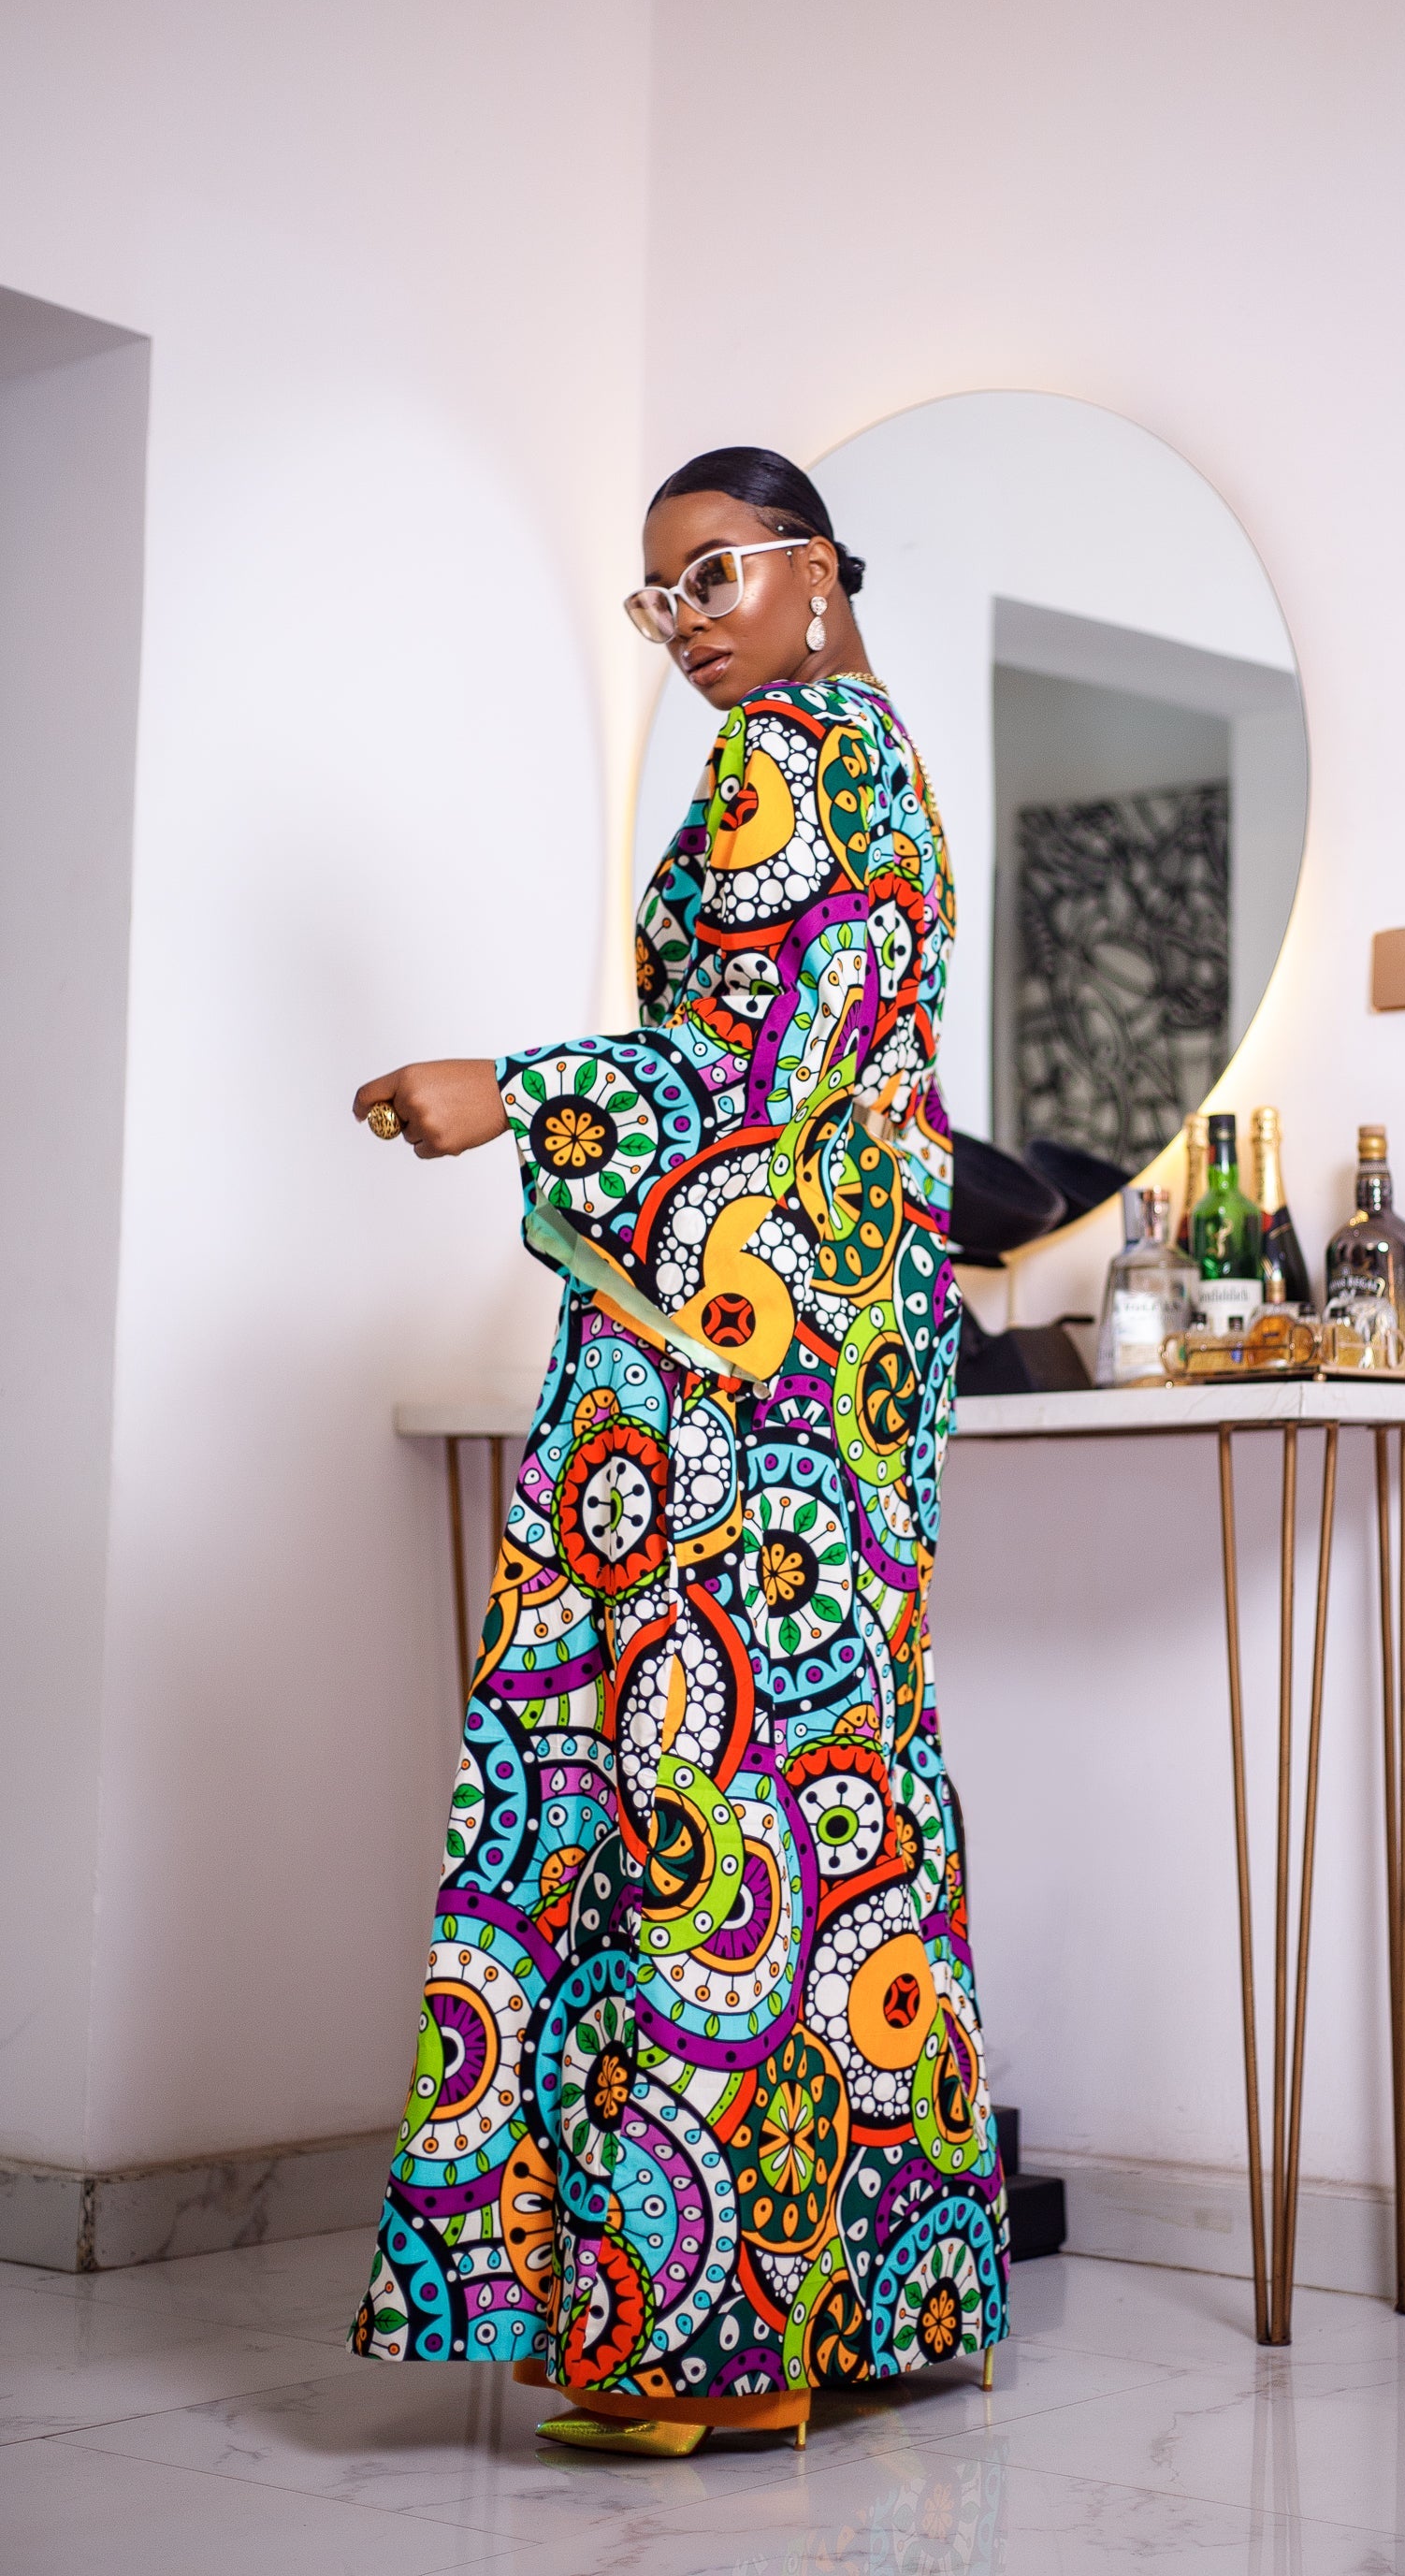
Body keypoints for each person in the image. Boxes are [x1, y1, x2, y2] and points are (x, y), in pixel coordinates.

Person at [349, 448, 1009, 2457]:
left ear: (816, 567)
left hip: (723, 1359)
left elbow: (736, 1074)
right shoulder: (892, 768)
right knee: (832, 1801)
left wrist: (512, 1093)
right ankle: (876, 2296)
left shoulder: (782, 768)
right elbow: (837, 1084)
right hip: (858, 1365)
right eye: (660, 597)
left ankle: (696, 2342)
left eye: (715, 572)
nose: (688, 618)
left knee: (688, 1800)